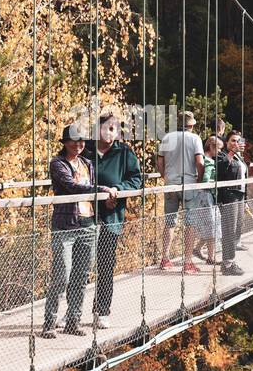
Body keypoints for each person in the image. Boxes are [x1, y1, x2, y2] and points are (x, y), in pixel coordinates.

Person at [44, 125, 117, 338]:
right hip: (66, 226)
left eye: (82, 141)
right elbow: (72, 186)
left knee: (81, 276)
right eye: (74, 141)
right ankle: (49, 324)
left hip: (88, 225)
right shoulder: (58, 164)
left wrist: (106, 200)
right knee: (61, 275)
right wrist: (102, 189)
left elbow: (89, 190)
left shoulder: (87, 163)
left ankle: (73, 322)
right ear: (65, 143)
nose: (79, 144)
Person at [84, 113, 142, 329]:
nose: (112, 133)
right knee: (79, 266)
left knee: (106, 265)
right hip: (84, 216)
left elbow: (136, 179)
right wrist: (99, 191)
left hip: (111, 217)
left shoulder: (124, 152)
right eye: (108, 128)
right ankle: (73, 311)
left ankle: (102, 310)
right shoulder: (85, 149)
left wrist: (118, 190)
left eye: (115, 129)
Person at [156, 110, 204, 274]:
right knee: (190, 223)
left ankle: (165, 258)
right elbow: (200, 162)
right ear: (191, 125)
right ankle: (188, 262)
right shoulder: (195, 138)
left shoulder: (167, 138)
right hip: (189, 183)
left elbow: (160, 162)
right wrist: (199, 180)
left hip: (170, 184)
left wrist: (166, 177)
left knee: (169, 222)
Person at [216, 131, 249, 276]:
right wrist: (230, 153)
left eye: (238, 141)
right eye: (233, 141)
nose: (236, 143)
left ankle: (230, 260)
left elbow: (244, 179)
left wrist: (246, 200)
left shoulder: (239, 157)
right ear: (226, 142)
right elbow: (221, 169)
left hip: (239, 196)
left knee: (237, 228)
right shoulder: (222, 155)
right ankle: (228, 264)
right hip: (229, 196)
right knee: (229, 229)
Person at [189, 135, 224, 265]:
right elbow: (205, 179)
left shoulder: (202, 158)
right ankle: (211, 257)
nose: (220, 152)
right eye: (219, 149)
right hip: (206, 196)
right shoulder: (209, 161)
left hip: (199, 197)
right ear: (211, 147)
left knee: (208, 225)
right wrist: (212, 185)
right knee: (212, 225)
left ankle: (198, 249)